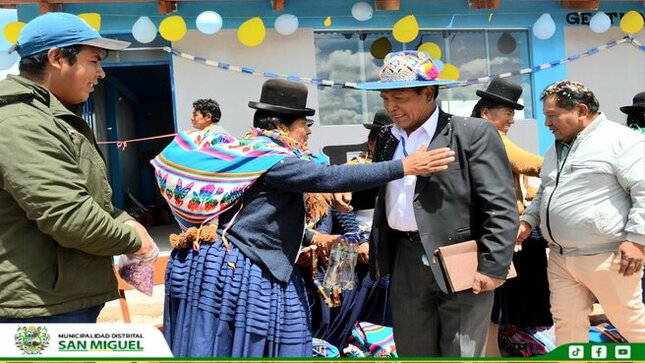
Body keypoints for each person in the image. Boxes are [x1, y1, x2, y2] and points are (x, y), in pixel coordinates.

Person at [156, 78, 456, 357]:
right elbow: (331, 177)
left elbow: (262, 217)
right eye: (304, 124)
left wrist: (316, 237)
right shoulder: (274, 161)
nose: (309, 131)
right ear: (282, 127)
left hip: (229, 264)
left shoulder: (250, 153)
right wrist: (405, 166)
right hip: (241, 271)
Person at [356, 50, 519, 357]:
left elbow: (500, 205)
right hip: (405, 260)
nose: (392, 107)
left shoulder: (471, 133)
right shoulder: (387, 139)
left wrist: (493, 266)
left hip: (463, 261)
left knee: (463, 350)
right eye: (386, 99)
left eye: (400, 98)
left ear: (428, 93)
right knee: (413, 350)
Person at [0, 13, 156, 323]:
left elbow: (88, 198)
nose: (101, 73)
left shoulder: (51, 117)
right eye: (94, 61)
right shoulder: (21, 123)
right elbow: (70, 216)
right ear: (57, 58)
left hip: (62, 296)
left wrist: (123, 219)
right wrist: (134, 241)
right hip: (38, 309)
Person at [517, 80, 645, 345]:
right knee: (567, 326)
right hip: (561, 259)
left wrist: (637, 240)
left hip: (608, 258)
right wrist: (528, 221)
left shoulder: (621, 140)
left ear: (581, 110)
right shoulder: (556, 147)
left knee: (631, 324)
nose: (546, 123)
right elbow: (545, 190)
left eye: (551, 116)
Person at [472, 78, 552, 357]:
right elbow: (528, 163)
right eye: (508, 114)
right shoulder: (491, 137)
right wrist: (567, 164)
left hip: (489, 230)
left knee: (495, 306)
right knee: (498, 305)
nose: (512, 120)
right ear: (486, 114)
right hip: (504, 234)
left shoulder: (470, 138)